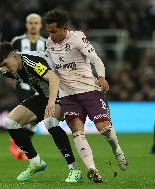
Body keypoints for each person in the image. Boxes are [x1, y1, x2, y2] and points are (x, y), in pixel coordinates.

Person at [0, 42, 82, 182]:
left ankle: (75, 169)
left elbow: (54, 78)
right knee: (10, 122)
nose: (5, 69)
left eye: (5, 64)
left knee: (50, 121)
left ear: (14, 56)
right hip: (43, 95)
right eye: (3, 65)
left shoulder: (30, 62)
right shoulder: (10, 66)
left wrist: (51, 103)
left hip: (63, 92)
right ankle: (35, 163)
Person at [43, 9, 128, 183]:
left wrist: (101, 76)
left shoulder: (77, 38)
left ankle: (117, 149)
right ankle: (92, 169)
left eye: (53, 31)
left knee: (104, 129)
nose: (50, 35)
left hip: (89, 90)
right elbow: (50, 70)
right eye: (48, 31)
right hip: (68, 96)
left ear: (64, 27)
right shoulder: (49, 43)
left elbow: (96, 59)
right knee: (77, 133)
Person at [9, 13, 46, 160]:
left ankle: (19, 142)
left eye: (36, 23)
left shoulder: (45, 43)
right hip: (23, 87)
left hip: (40, 87)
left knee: (34, 119)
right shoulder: (17, 41)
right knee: (30, 115)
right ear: (26, 25)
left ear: (40, 25)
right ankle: (20, 145)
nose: (33, 25)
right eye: (30, 23)